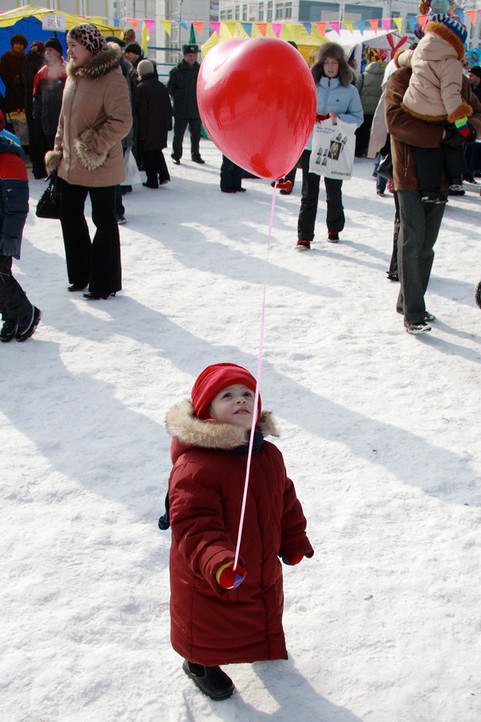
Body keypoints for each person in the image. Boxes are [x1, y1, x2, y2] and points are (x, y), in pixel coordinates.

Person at [162, 362, 313, 700]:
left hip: (258, 565)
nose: (241, 401)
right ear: (207, 411)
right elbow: (194, 525)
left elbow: (284, 500)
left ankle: (256, 642)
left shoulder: (268, 455)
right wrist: (217, 560)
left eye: (248, 394)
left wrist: (294, 539)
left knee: (257, 609)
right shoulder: (197, 466)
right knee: (206, 625)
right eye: (227, 395)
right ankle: (198, 664)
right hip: (211, 572)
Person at [385, 62, 481, 334]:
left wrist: (466, 130)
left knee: (427, 243)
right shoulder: (402, 77)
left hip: (441, 173)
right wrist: (440, 133)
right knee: (412, 239)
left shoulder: (456, 79)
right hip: (408, 172)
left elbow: (477, 113)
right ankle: (414, 312)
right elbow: (395, 121)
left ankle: (408, 302)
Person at [45, 24, 132, 300]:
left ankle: (104, 283)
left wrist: (93, 145)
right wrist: (58, 151)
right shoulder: (73, 76)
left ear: (91, 47)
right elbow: (64, 119)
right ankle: (81, 274)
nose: (68, 52)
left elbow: (122, 121)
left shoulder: (112, 78)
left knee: (103, 220)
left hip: (100, 164)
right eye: (68, 45)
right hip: (70, 164)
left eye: (73, 46)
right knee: (69, 216)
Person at [395, 7, 473, 202]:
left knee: (426, 149)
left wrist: (398, 58)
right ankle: (456, 177)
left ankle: (430, 191)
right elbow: (450, 95)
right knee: (452, 139)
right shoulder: (451, 62)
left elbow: (403, 58)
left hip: (413, 107)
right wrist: (462, 124)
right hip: (438, 112)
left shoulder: (420, 51)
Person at [297, 43, 363, 250]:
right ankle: (304, 236)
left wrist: (339, 118)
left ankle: (334, 227)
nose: (330, 67)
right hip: (311, 147)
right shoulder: (310, 85)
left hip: (335, 148)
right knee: (309, 192)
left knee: (334, 190)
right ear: (320, 64)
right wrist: (310, 117)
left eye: (334, 62)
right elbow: (298, 111)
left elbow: (358, 118)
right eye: (326, 62)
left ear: (341, 65)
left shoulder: (350, 90)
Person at [0, 111, 41, 342]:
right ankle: (10, 316)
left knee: (1, 274)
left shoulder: (8, 157)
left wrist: (10, 235)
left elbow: (16, 204)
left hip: (4, 227)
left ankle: (26, 312)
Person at [135, 59, 172, 188]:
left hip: (148, 128)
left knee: (148, 154)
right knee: (157, 151)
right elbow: (168, 108)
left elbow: (142, 111)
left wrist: (141, 132)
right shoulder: (161, 86)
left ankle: (152, 180)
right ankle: (163, 175)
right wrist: (168, 125)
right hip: (160, 126)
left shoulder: (141, 88)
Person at [168, 44, 204, 165]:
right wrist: (179, 97)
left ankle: (196, 154)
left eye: (194, 55)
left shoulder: (200, 70)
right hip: (181, 108)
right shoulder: (176, 71)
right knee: (179, 135)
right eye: (190, 55)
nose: (192, 58)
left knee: (196, 135)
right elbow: (170, 89)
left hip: (195, 108)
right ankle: (176, 155)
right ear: (184, 56)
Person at [354, 60, 384, 158]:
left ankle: (359, 150)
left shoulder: (363, 77)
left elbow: (356, 91)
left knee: (361, 130)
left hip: (363, 109)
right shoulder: (383, 78)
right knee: (372, 132)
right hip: (376, 110)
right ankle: (370, 152)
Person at [0, 34, 28, 113]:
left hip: (24, 93)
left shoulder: (26, 59)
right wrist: (14, 79)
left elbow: (29, 73)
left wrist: (23, 79)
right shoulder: (6, 57)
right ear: (13, 45)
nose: (18, 46)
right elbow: (3, 73)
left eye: (21, 44)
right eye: (17, 43)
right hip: (11, 93)